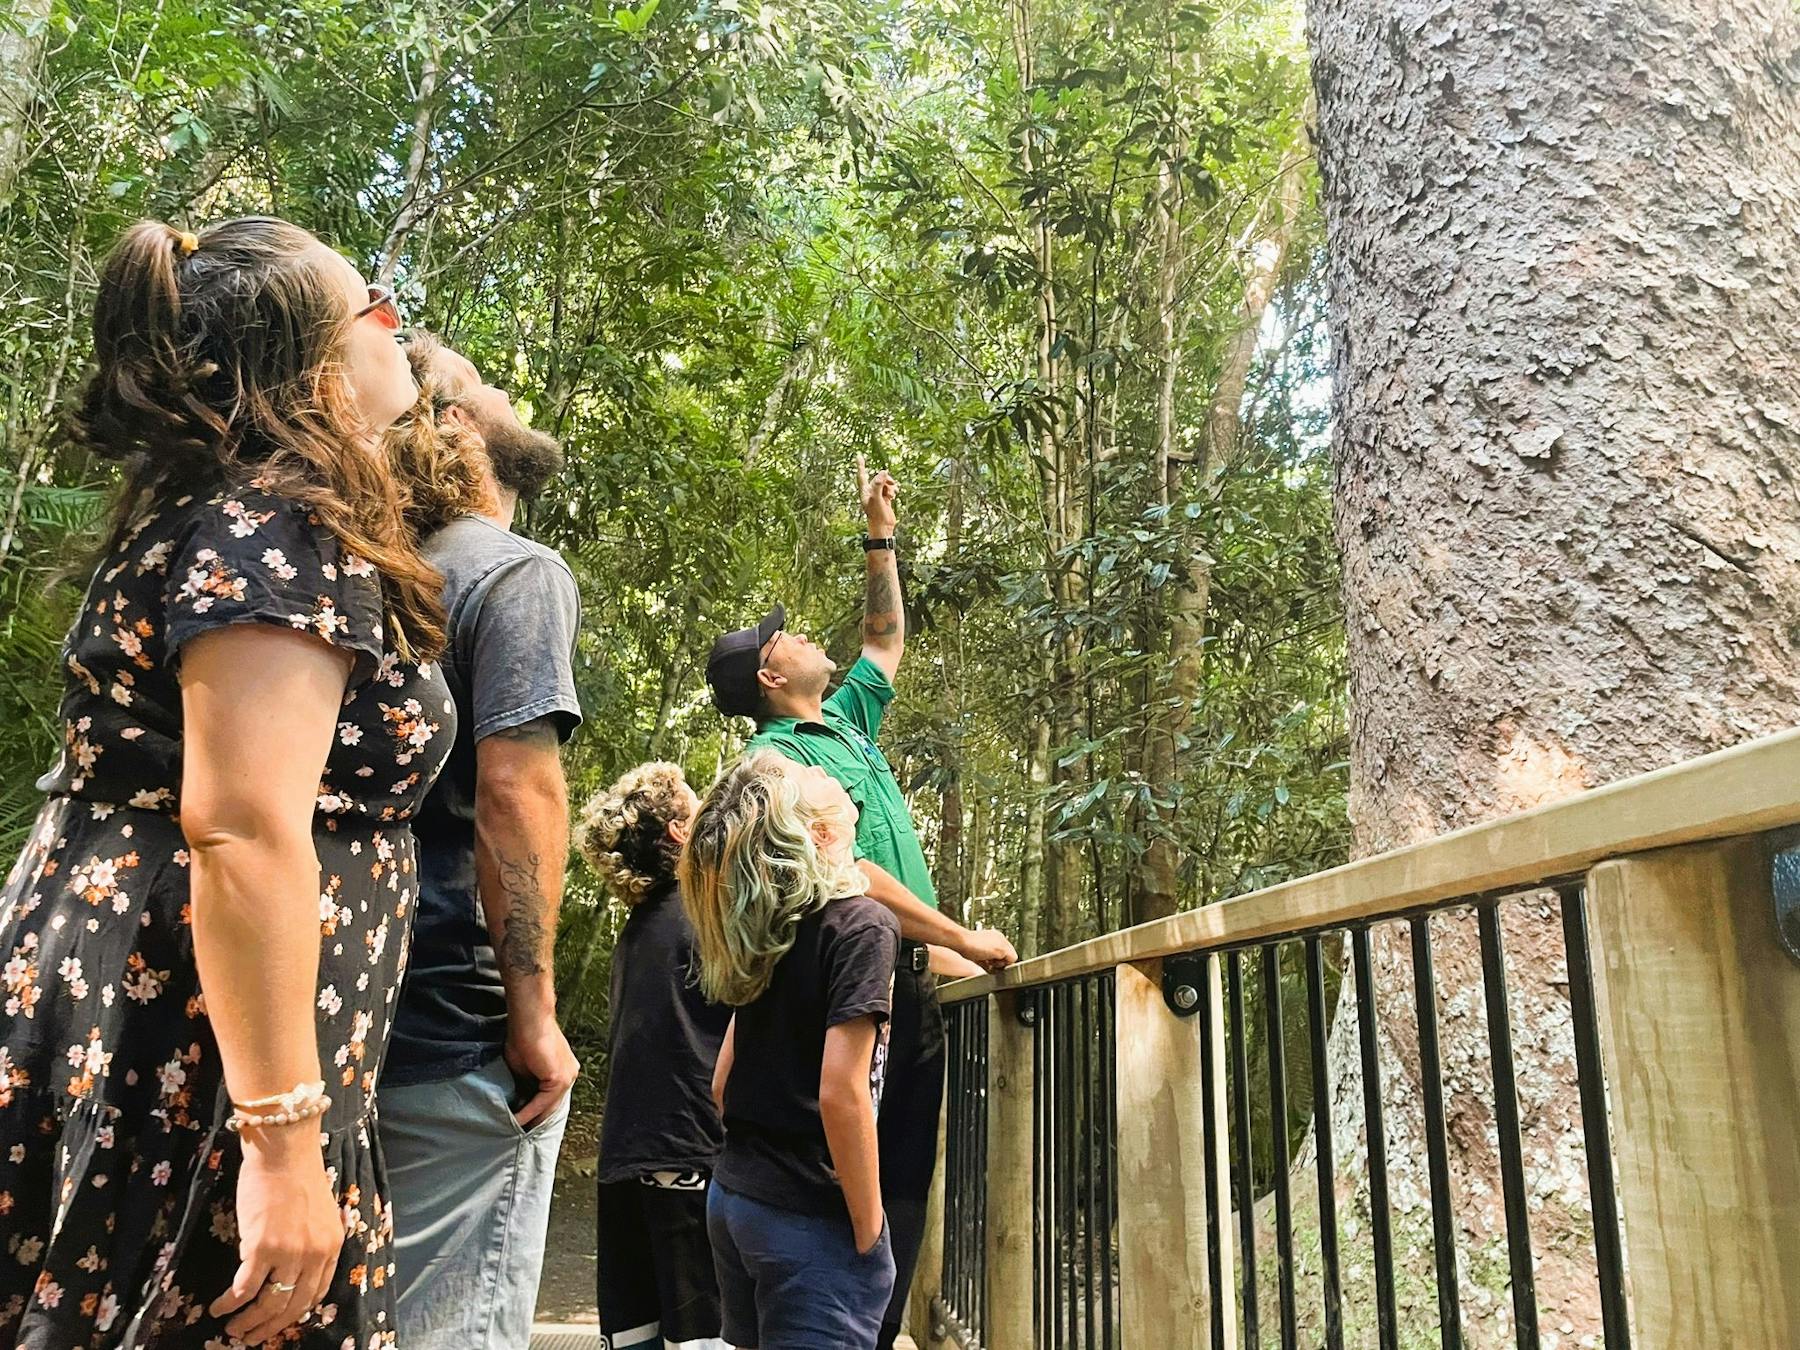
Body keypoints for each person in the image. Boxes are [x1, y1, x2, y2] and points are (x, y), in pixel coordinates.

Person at [0, 216, 449, 1347]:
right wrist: (285, 1145)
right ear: (305, 365)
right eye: (370, 307)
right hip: (192, 1061)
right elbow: (243, 826)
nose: (396, 324)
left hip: (202, 1043)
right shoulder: (273, 527)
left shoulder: (244, 517)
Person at [703, 458, 1017, 1348]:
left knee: (911, 1164)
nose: (804, 636)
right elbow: (846, 874)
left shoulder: (840, 721)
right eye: (786, 635)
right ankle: (858, 1299)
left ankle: (865, 1313)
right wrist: (961, 935)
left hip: (896, 975)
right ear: (769, 677)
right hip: (851, 980)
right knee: (863, 1169)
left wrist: (878, 533)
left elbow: (883, 642)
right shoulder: (773, 768)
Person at [377, 335, 583, 1348]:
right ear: (457, 422)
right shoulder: (513, 572)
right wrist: (534, 1014)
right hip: (456, 1032)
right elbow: (517, 789)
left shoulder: (363, 572)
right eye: (488, 380)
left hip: (347, 1012)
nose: (512, 394)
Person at [680, 751, 901, 1350]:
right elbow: (842, 1092)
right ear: (825, 833)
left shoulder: (772, 930)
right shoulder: (863, 927)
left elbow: (722, 1083)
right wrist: (869, 1228)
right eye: (818, 780)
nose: (828, 774)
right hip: (808, 1216)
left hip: (735, 1200)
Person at [577, 763, 731, 1350]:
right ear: (678, 832)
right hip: (687, 1151)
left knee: (636, 1330)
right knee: (704, 1337)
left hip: (627, 1155)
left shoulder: (640, 929)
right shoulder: (706, 921)